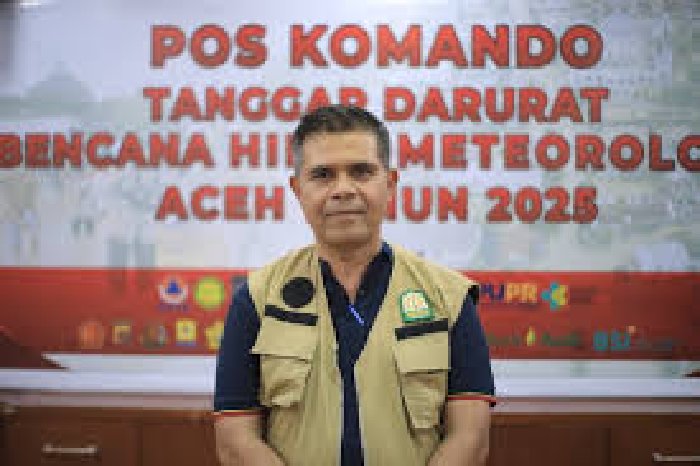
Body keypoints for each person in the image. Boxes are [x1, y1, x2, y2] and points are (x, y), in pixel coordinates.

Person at [213, 105, 495, 466]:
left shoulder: (450, 299)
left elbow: (470, 439)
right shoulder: (256, 300)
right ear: (298, 189)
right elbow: (236, 442)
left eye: (361, 172)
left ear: (390, 183)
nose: (343, 189)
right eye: (323, 175)